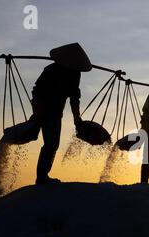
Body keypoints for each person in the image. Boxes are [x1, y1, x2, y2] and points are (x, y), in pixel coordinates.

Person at [31, 43, 92, 184]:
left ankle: (42, 176)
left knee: (52, 144)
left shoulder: (74, 73)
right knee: (51, 144)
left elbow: (74, 97)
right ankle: (41, 177)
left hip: (56, 111)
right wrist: (37, 111)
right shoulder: (51, 70)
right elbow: (37, 91)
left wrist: (77, 118)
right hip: (45, 109)